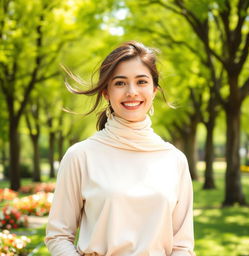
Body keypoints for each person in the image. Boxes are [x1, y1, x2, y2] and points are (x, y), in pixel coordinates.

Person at [45, 41, 196, 256]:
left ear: (154, 90)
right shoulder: (80, 156)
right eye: (120, 83)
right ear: (106, 92)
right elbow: (58, 236)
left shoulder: (175, 160)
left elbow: (182, 246)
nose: (132, 92)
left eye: (141, 81)